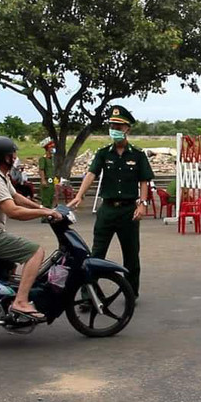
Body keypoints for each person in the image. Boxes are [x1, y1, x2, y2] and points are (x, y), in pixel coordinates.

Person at [0, 136, 62, 320]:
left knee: (9, 267)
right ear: (6, 158)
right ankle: (21, 301)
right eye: (13, 154)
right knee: (35, 252)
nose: (16, 157)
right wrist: (44, 214)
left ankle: (7, 300)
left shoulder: (0, 176)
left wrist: (43, 208)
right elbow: (13, 211)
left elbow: (17, 197)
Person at [68, 105, 154, 298]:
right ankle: (88, 296)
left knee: (131, 256)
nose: (114, 129)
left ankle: (131, 293)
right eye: (112, 125)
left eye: (118, 126)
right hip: (107, 210)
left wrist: (142, 204)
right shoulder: (103, 153)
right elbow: (91, 174)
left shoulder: (138, 155)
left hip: (128, 211)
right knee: (96, 254)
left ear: (127, 129)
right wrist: (79, 194)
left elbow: (144, 181)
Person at [38, 138, 57, 209]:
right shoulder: (43, 159)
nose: (53, 149)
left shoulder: (52, 159)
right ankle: (44, 216)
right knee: (46, 200)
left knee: (51, 198)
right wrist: (43, 180)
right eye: (51, 147)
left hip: (51, 181)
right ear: (47, 148)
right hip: (46, 180)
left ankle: (49, 215)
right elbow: (41, 169)